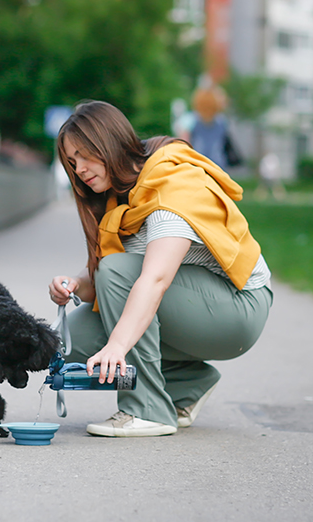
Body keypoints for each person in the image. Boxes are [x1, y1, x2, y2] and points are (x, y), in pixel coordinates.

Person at [48, 100, 273, 437]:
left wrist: (117, 346)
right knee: (71, 342)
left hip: (238, 310)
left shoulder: (171, 182)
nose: (79, 168)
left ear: (109, 142)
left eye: (84, 154)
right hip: (191, 305)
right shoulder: (117, 195)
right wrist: (75, 284)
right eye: (71, 161)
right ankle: (188, 384)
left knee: (118, 275)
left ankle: (148, 410)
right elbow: (104, 284)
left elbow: (153, 278)